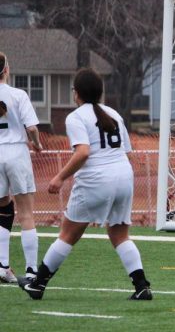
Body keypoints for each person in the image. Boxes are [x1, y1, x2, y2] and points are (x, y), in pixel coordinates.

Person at [19, 68, 152, 300]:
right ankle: (142, 286)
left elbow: (83, 153)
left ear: (77, 93)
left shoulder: (76, 116)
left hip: (97, 179)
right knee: (120, 233)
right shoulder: (114, 114)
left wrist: (59, 177)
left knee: (68, 233)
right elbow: (127, 152)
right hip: (123, 176)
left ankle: (38, 284)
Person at [0, 51, 43, 284]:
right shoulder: (18, 95)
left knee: (2, 209)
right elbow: (33, 128)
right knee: (26, 214)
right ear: (7, 70)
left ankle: (2, 265)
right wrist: (36, 144)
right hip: (16, 151)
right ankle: (31, 271)